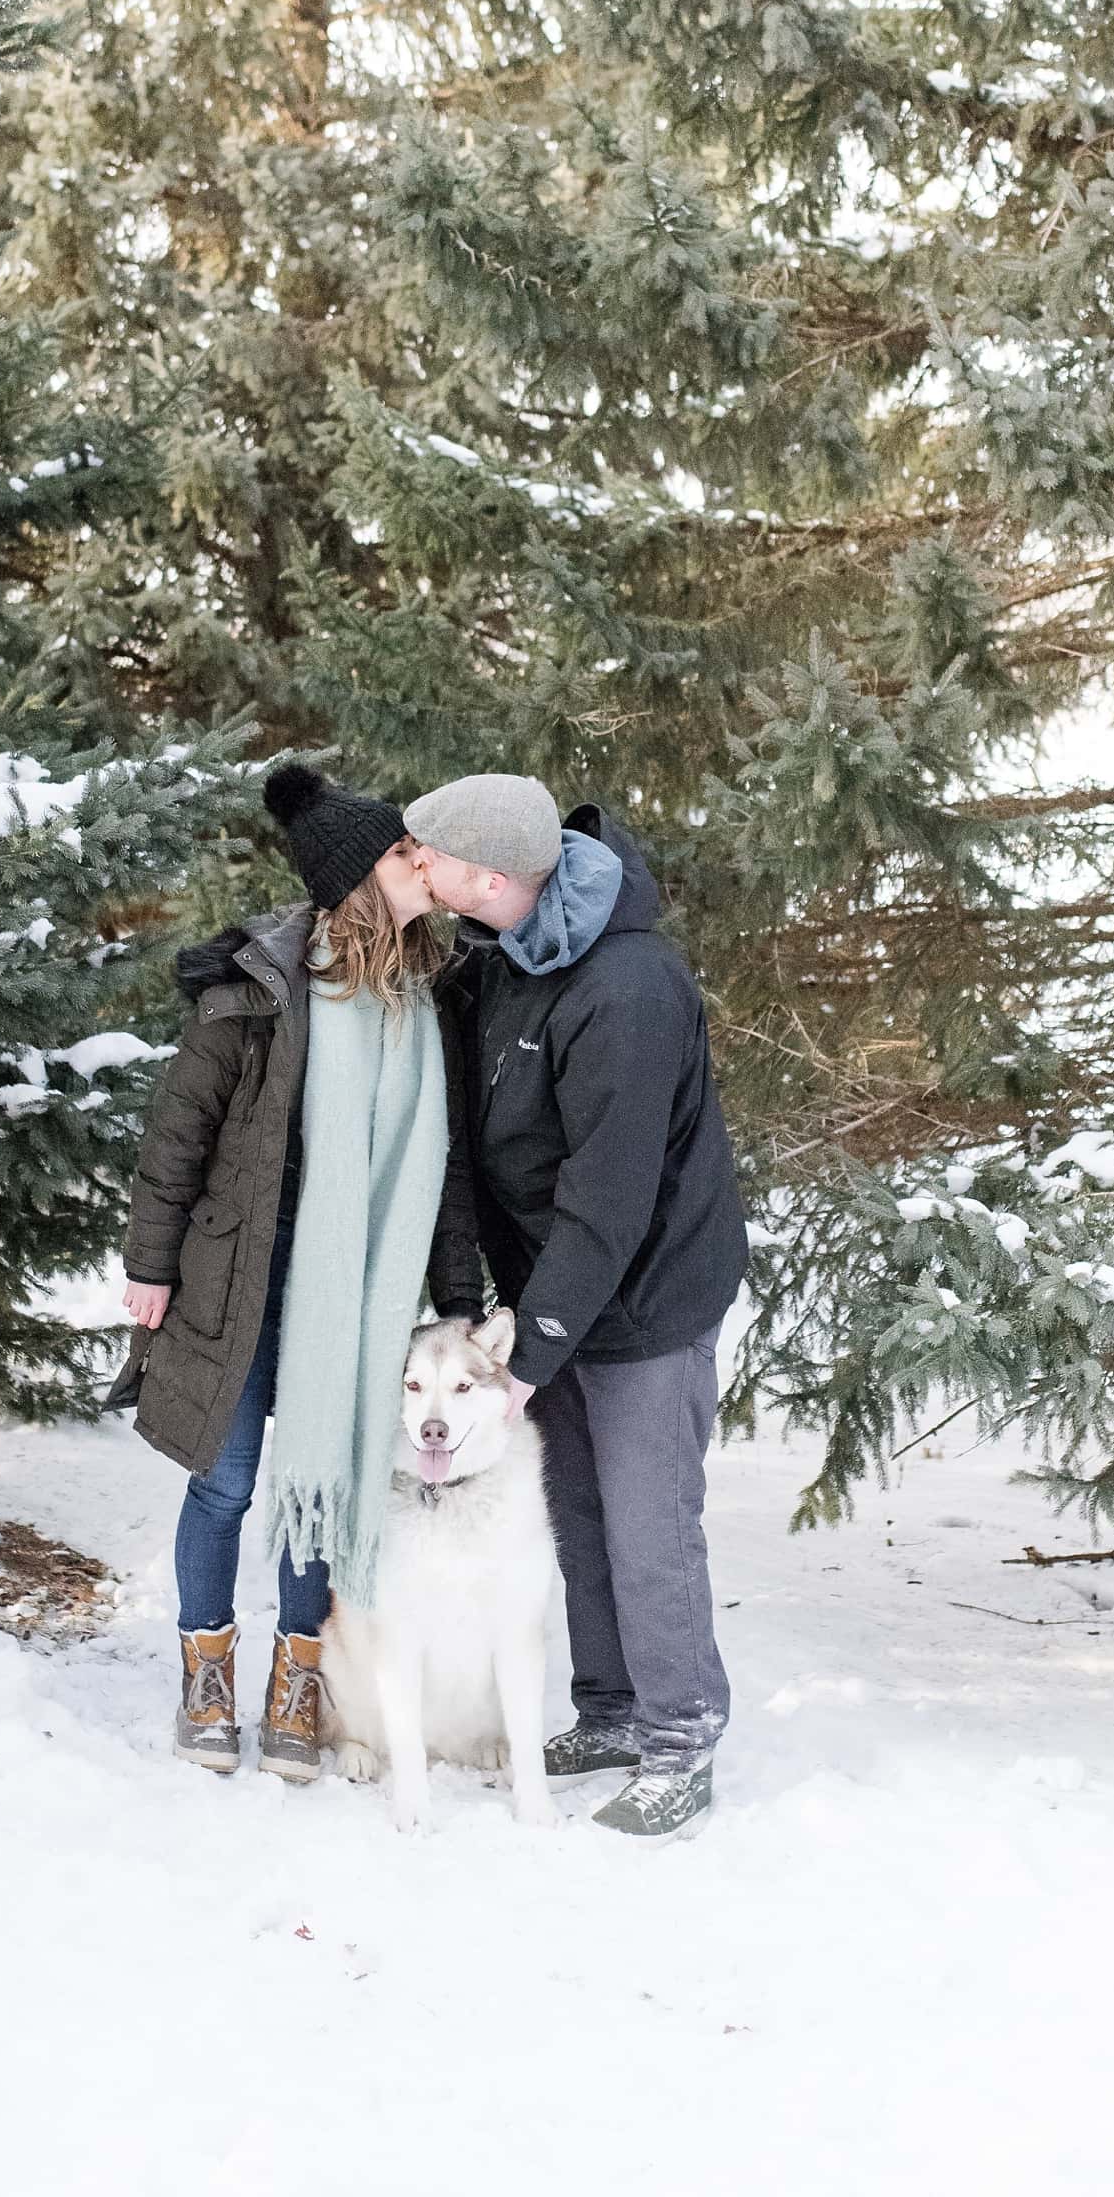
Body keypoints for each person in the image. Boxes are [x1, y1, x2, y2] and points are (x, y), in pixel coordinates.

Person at [113, 762, 481, 1779]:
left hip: (353, 1296)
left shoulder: (425, 1002)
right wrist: (149, 1266)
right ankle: (206, 1671)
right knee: (226, 1488)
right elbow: (176, 1137)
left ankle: (297, 1675)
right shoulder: (257, 992)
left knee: (322, 1486)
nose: (421, 862)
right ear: (357, 878)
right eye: (403, 852)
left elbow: (436, 1170)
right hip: (236, 1282)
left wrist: (457, 1298)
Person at [403, 773, 749, 1840]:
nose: (415, 870)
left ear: (489, 875)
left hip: (647, 1290)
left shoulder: (628, 988)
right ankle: (607, 1710)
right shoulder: (500, 961)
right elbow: (466, 1144)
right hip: (555, 1285)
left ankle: (679, 1736)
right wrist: (465, 1308)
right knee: (580, 1513)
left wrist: (527, 1358)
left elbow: (607, 1197)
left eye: (429, 857)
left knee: (647, 1523)